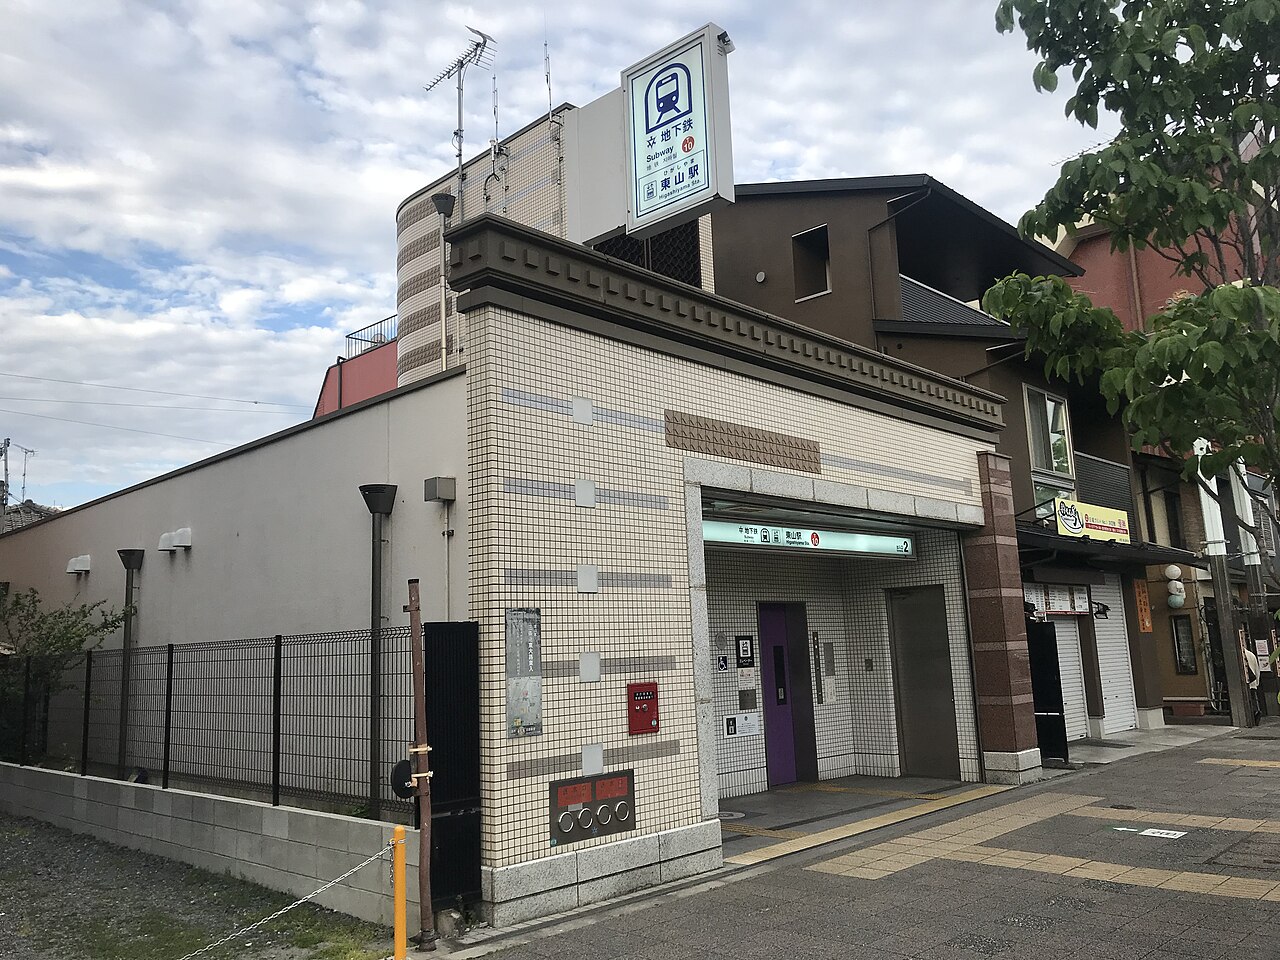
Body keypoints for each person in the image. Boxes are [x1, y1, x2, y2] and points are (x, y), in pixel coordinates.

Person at [1244, 643, 1262, 723]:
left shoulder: (1242, 655)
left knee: (1248, 700)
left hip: (1247, 682)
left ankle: (1252, 715)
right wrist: (1257, 682)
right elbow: (1257, 670)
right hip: (1253, 683)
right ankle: (1256, 711)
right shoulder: (1251, 655)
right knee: (1254, 699)